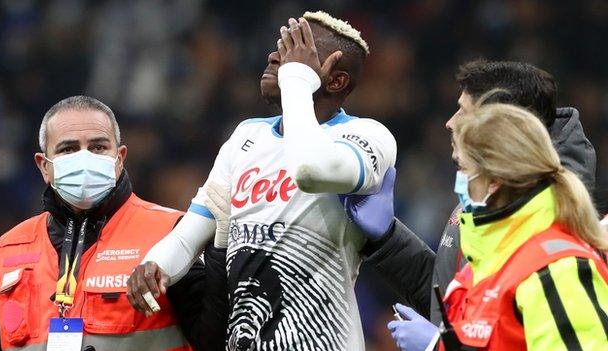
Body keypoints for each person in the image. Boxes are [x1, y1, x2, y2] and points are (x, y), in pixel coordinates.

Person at [127, 11, 396, 350]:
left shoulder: (367, 135)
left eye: (297, 51)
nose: (274, 57)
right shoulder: (245, 135)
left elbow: (311, 170)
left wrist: (296, 79)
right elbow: (191, 233)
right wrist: (155, 265)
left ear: (335, 80)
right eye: (280, 46)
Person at [340, 60, 598, 349]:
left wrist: (440, 347)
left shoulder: (559, 261)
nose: (450, 122)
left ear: (498, 128)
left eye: (463, 110)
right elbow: (463, 316)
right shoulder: (488, 217)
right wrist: (389, 241)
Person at [0, 96, 228, 351]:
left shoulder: (171, 234)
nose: (84, 159)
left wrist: (219, 252)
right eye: (68, 149)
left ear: (120, 157)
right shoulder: (9, 248)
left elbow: (215, 341)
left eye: (98, 147)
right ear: (44, 166)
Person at [427, 99, 607, 350]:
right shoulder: (487, 260)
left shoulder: (557, 269)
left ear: (494, 181)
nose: (459, 179)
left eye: (463, 167)